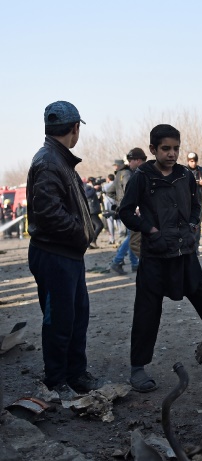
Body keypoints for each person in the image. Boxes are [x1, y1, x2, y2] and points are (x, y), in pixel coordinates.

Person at [118, 124, 202, 393]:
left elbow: (196, 205)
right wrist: (150, 230)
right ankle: (138, 368)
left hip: (185, 253)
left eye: (175, 149)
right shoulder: (141, 177)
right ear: (153, 150)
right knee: (147, 311)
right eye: (165, 149)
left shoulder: (184, 175)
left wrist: (194, 225)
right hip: (156, 256)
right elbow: (125, 212)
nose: (172, 154)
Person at [26, 100, 104, 401]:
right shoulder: (48, 161)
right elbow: (49, 214)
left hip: (67, 254)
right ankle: (56, 379)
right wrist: (81, 233)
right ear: (75, 128)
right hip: (54, 254)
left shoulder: (58, 158)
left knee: (76, 316)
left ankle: (76, 373)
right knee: (58, 320)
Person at [108, 149, 146, 274]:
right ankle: (117, 261)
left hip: (125, 209)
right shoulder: (128, 174)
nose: (130, 163)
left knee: (131, 236)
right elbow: (129, 192)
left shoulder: (119, 173)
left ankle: (134, 263)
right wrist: (130, 205)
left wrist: (119, 203)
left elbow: (110, 191)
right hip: (131, 210)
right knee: (132, 237)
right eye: (129, 161)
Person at [186, 152, 202, 254]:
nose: (193, 163)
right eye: (191, 161)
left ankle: (196, 247)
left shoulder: (201, 170)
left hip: (198, 200)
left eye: (195, 161)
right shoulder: (184, 171)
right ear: (188, 161)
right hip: (186, 200)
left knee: (197, 224)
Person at [85, 177, 104, 248]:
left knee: (92, 227)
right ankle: (92, 241)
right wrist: (94, 189)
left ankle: (90, 243)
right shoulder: (87, 187)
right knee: (99, 225)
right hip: (91, 210)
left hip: (93, 210)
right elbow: (87, 195)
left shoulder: (90, 188)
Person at [102, 173, 117, 244]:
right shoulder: (116, 184)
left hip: (108, 204)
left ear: (108, 178)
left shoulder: (106, 185)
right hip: (116, 203)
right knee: (119, 221)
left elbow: (103, 191)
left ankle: (112, 239)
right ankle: (121, 239)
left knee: (110, 221)